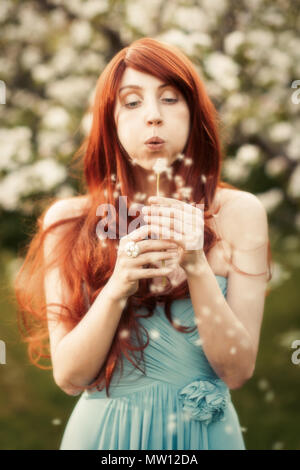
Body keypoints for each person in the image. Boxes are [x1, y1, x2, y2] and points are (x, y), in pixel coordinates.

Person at [14, 37, 272, 450]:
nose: (153, 116)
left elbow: (237, 371)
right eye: (132, 103)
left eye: (170, 99)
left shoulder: (240, 212)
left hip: (203, 437)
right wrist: (118, 285)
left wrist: (196, 265)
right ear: (110, 121)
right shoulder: (68, 220)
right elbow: (69, 377)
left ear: (194, 115)